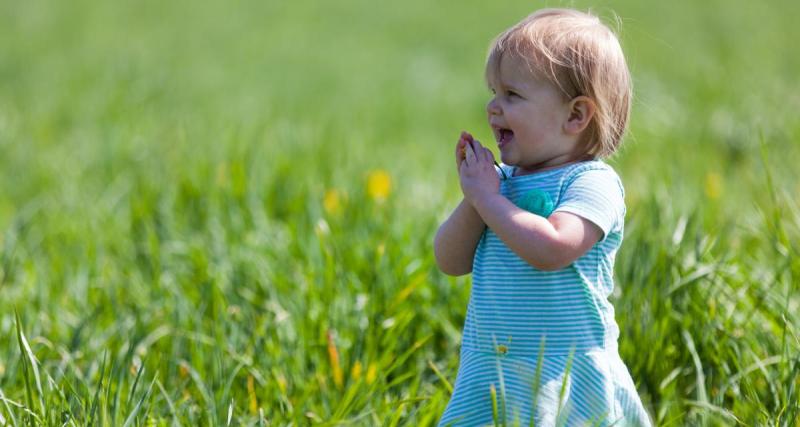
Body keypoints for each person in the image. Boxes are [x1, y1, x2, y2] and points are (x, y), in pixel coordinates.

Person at [433, 8, 651, 426]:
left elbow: (553, 247)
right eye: (493, 91)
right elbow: (450, 260)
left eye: (512, 95)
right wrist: (476, 198)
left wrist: (490, 201)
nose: (492, 107)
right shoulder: (500, 185)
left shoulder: (591, 182)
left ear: (575, 115)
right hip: (492, 370)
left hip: (565, 372)